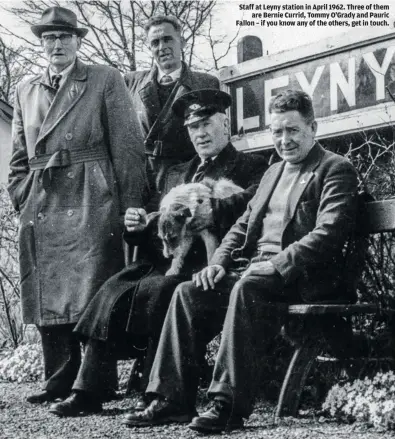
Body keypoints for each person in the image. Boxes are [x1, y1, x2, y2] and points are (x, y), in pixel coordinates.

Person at [124, 89, 359, 432]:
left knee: (248, 285)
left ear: (313, 127)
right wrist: (217, 262)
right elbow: (241, 226)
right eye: (277, 132)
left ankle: (227, 404)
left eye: (292, 130)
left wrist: (277, 263)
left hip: (302, 278)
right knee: (188, 292)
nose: (284, 140)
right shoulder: (272, 173)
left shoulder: (334, 169)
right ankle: (171, 400)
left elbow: (328, 233)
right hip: (256, 273)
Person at [48, 89, 268, 417]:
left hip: (207, 263)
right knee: (115, 286)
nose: (201, 133)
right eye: (193, 128)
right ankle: (88, 390)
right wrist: (138, 227)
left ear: (226, 123)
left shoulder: (252, 166)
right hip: (166, 261)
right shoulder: (175, 172)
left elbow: (252, 204)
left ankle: (157, 392)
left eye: (207, 124)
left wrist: (215, 210)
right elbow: (157, 224)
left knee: (164, 290)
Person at [8, 6, 146, 405]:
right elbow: (19, 154)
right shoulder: (25, 89)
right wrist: (21, 194)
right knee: (49, 289)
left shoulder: (103, 79)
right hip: (42, 197)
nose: (56, 45)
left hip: (91, 196)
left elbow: (128, 146)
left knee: (92, 291)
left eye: (64, 37)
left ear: (77, 41)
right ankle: (59, 380)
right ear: (42, 44)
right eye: (48, 38)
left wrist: (130, 202)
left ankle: (95, 386)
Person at [124, 15, 220, 193]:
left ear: (182, 42)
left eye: (168, 39)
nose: (162, 47)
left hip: (186, 178)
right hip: (141, 180)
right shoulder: (131, 82)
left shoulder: (206, 83)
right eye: (155, 42)